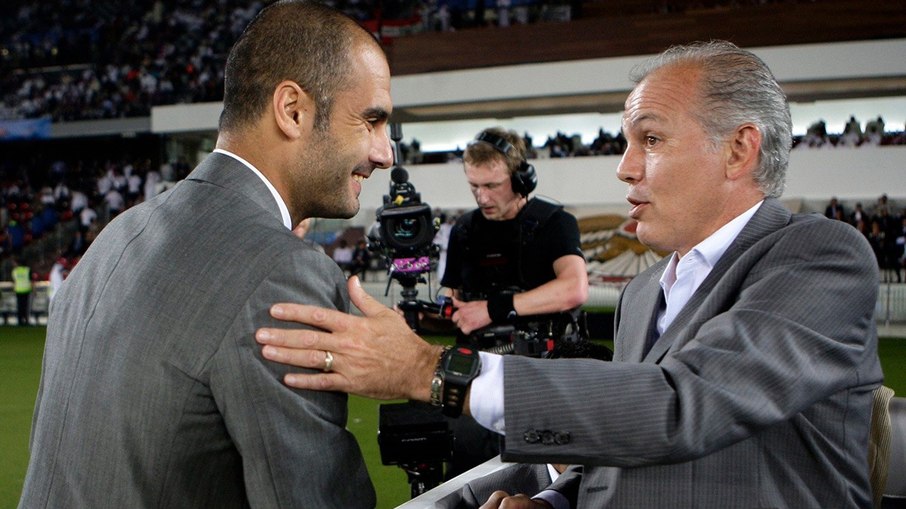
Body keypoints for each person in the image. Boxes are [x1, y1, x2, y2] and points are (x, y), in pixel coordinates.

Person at [255, 41, 883, 508]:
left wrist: (431, 369)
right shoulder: (643, 294)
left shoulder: (819, 256)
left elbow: (680, 406)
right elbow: (621, 442)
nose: (625, 168)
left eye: (651, 140)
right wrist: (556, 501)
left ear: (739, 149)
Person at [19, 2, 393, 508]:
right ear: (292, 110)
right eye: (371, 120)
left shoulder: (118, 234)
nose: (385, 153)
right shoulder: (282, 273)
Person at [436, 127, 590, 477]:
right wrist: (436, 310)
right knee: (467, 475)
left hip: (543, 372)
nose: (482, 196)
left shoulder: (555, 223)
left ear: (521, 178)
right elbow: (452, 294)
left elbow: (574, 288)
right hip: (477, 374)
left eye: (492, 185)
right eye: (474, 186)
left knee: (549, 478)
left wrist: (492, 309)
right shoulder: (464, 230)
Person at [11, 257, 32, 326]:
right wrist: (34, 290)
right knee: (26, 306)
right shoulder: (27, 270)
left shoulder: (15, 271)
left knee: (19, 306)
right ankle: (26, 320)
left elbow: (14, 281)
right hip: (26, 290)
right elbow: (31, 280)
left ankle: (20, 321)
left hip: (18, 290)